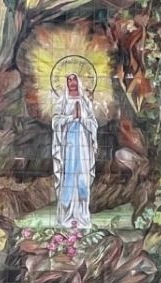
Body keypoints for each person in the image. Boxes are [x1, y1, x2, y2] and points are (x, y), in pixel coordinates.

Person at [52, 72, 97, 229]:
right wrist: (71, 118)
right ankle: (66, 214)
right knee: (69, 177)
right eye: (69, 79)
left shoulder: (85, 101)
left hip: (83, 145)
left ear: (79, 81)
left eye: (74, 79)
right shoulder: (62, 101)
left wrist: (82, 118)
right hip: (68, 146)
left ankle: (82, 216)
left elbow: (93, 123)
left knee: (83, 177)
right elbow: (55, 121)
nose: (71, 82)